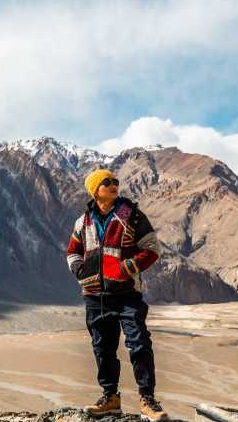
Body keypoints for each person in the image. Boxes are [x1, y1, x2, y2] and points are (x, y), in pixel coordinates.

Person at [66, 169, 169, 421]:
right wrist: (82, 271)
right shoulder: (83, 222)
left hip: (127, 294)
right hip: (95, 297)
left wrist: (125, 268)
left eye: (115, 182)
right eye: (107, 183)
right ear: (95, 190)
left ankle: (147, 400)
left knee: (139, 343)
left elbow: (152, 248)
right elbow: (72, 252)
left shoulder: (132, 216)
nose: (114, 185)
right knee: (102, 348)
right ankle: (110, 397)